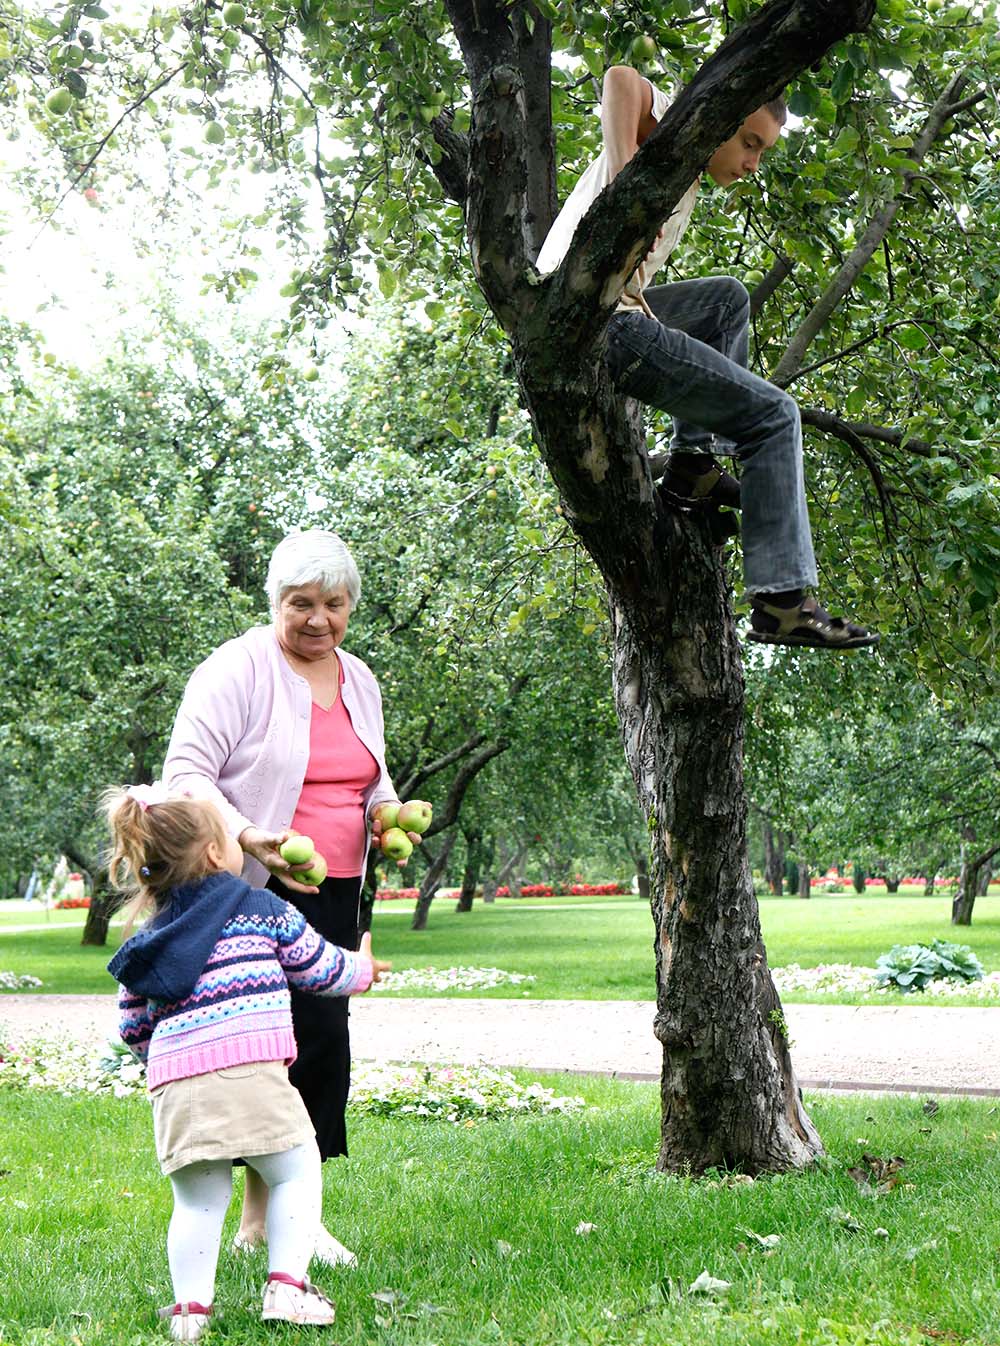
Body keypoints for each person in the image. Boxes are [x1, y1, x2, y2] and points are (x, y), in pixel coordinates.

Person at [536, 64, 879, 651]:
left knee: (726, 300)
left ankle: (694, 466)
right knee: (774, 417)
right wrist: (622, 179)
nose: (753, 163)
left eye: (762, 151)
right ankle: (782, 602)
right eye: (749, 142)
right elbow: (620, 79)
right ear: (721, 121)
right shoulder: (674, 131)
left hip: (599, 308)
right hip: (594, 321)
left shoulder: (685, 169)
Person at [163, 529, 418, 1266]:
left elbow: (370, 774)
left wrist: (386, 811)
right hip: (250, 890)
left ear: (351, 606)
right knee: (265, 1046)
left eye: (334, 604)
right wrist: (248, 835)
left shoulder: (358, 677)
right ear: (274, 601)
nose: (318, 619)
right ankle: (274, 1220)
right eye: (300, 603)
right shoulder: (236, 669)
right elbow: (186, 775)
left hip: (336, 889)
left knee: (320, 1043)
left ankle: (271, 1219)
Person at [104, 784, 390, 1342]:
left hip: (176, 1088)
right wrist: (362, 969)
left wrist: (164, 1062)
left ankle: (190, 1313)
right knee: (296, 1171)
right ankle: (287, 1288)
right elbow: (318, 968)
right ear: (216, 852)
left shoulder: (150, 937)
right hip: (253, 1069)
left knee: (197, 1203)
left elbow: (132, 1024)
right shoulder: (259, 908)